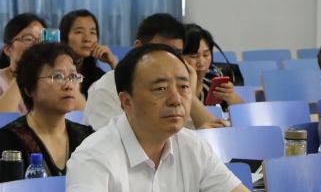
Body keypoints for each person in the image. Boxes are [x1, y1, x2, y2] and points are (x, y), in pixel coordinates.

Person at [64, 44, 261, 192]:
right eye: (160, 89)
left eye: (184, 87)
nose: (176, 99)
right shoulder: (95, 153)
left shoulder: (193, 146)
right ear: (126, 102)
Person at [84, 13, 223, 131]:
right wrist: (194, 135)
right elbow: (111, 142)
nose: (169, 59)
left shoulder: (175, 88)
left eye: (176, 53)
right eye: (160, 50)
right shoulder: (106, 88)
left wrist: (187, 90)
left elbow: (213, 130)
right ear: (138, 47)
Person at [0, 43, 94, 182]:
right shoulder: (9, 140)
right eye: (58, 76)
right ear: (29, 88)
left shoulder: (87, 137)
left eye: (73, 76)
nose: (69, 85)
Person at [0, 13, 46, 114]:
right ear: (8, 49)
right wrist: (24, 73)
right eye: (28, 39)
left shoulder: (54, 78)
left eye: (42, 39)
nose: (37, 45)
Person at [60, 9, 117, 97]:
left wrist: (113, 62)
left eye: (92, 32)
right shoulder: (54, 72)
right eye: (79, 32)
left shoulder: (96, 76)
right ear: (64, 37)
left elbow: (123, 95)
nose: (87, 39)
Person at [183, 24, 243, 107]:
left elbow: (243, 111)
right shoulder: (174, 87)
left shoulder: (213, 77)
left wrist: (231, 96)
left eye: (206, 55)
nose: (201, 62)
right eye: (194, 56)